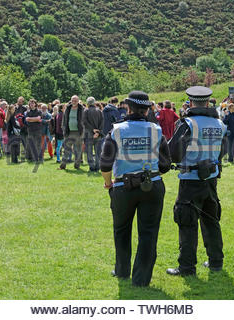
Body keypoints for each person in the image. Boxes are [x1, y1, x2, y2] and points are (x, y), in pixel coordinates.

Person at [100, 90, 171, 287]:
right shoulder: (156, 131)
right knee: (148, 233)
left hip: (123, 186)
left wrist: (108, 182)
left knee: (121, 230)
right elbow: (166, 164)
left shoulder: (116, 130)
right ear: (147, 110)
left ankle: (122, 271)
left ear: (127, 108)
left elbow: (105, 164)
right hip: (152, 185)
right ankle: (141, 280)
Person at [167, 86, 227, 277]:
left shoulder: (188, 123)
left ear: (190, 102)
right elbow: (224, 150)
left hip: (190, 180)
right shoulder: (220, 124)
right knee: (211, 220)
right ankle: (216, 262)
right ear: (208, 103)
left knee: (187, 222)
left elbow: (173, 152)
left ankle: (186, 268)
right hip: (210, 178)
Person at [59, 95, 84, 170]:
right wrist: (63, 128)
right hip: (68, 132)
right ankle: (62, 166)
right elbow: (64, 120)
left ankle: (77, 165)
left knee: (78, 149)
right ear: (71, 100)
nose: (74, 102)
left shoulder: (81, 109)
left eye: (76, 100)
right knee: (66, 149)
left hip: (78, 132)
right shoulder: (68, 108)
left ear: (78, 101)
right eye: (73, 100)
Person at [83, 96, 104, 172]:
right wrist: (98, 132)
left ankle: (92, 167)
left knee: (89, 152)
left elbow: (84, 122)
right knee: (98, 151)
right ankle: (97, 166)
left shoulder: (86, 111)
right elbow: (102, 123)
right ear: (94, 102)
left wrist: (92, 130)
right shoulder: (99, 111)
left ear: (87, 103)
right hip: (98, 134)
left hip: (88, 134)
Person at [25, 99, 43, 163]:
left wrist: (31, 119)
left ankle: (38, 158)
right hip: (30, 130)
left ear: (35, 104)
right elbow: (27, 119)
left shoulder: (39, 111)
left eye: (33, 103)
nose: (31, 104)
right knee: (31, 144)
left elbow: (39, 118)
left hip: (38, 130)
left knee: (38, 144)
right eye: (30, 103)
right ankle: (31, 157)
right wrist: (35, 119)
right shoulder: (28, 112)